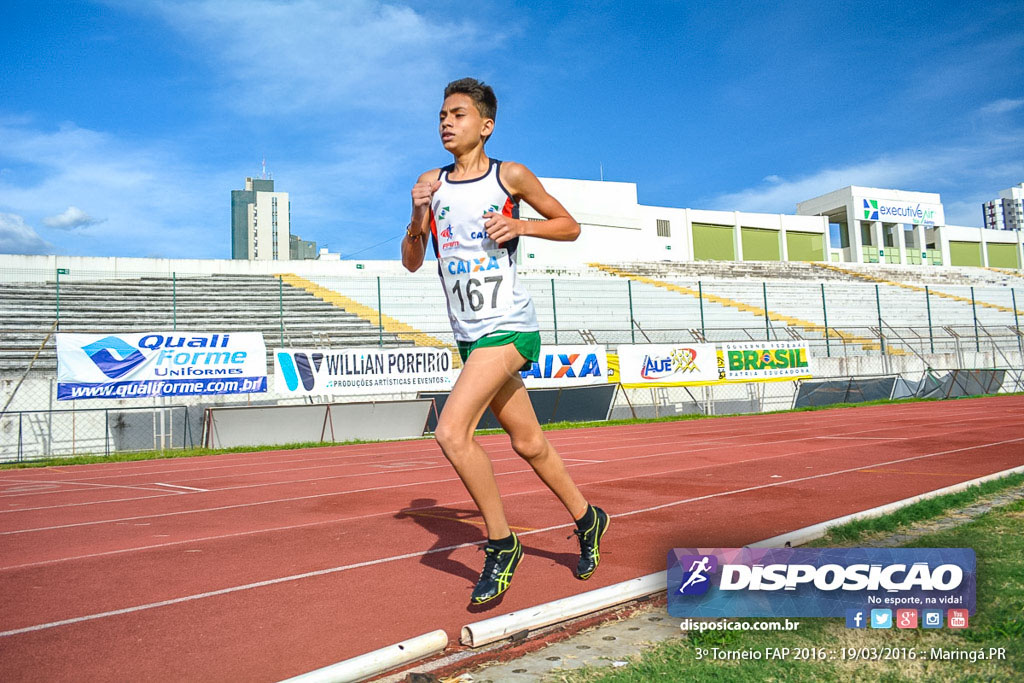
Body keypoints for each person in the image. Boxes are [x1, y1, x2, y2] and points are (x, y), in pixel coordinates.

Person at [401, 77, 609, 605]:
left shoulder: (508, 175)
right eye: (442, 115)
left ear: (485, 125)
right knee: (529, 443)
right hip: (470, 335)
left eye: (459, 114)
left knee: (451, 432)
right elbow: (411, 259)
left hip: (511, 325)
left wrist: (522, 229)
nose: (447, 122)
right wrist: (417, 215)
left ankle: (501, 542)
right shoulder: (431, 183)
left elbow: (569, 225)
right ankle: (589, 519)